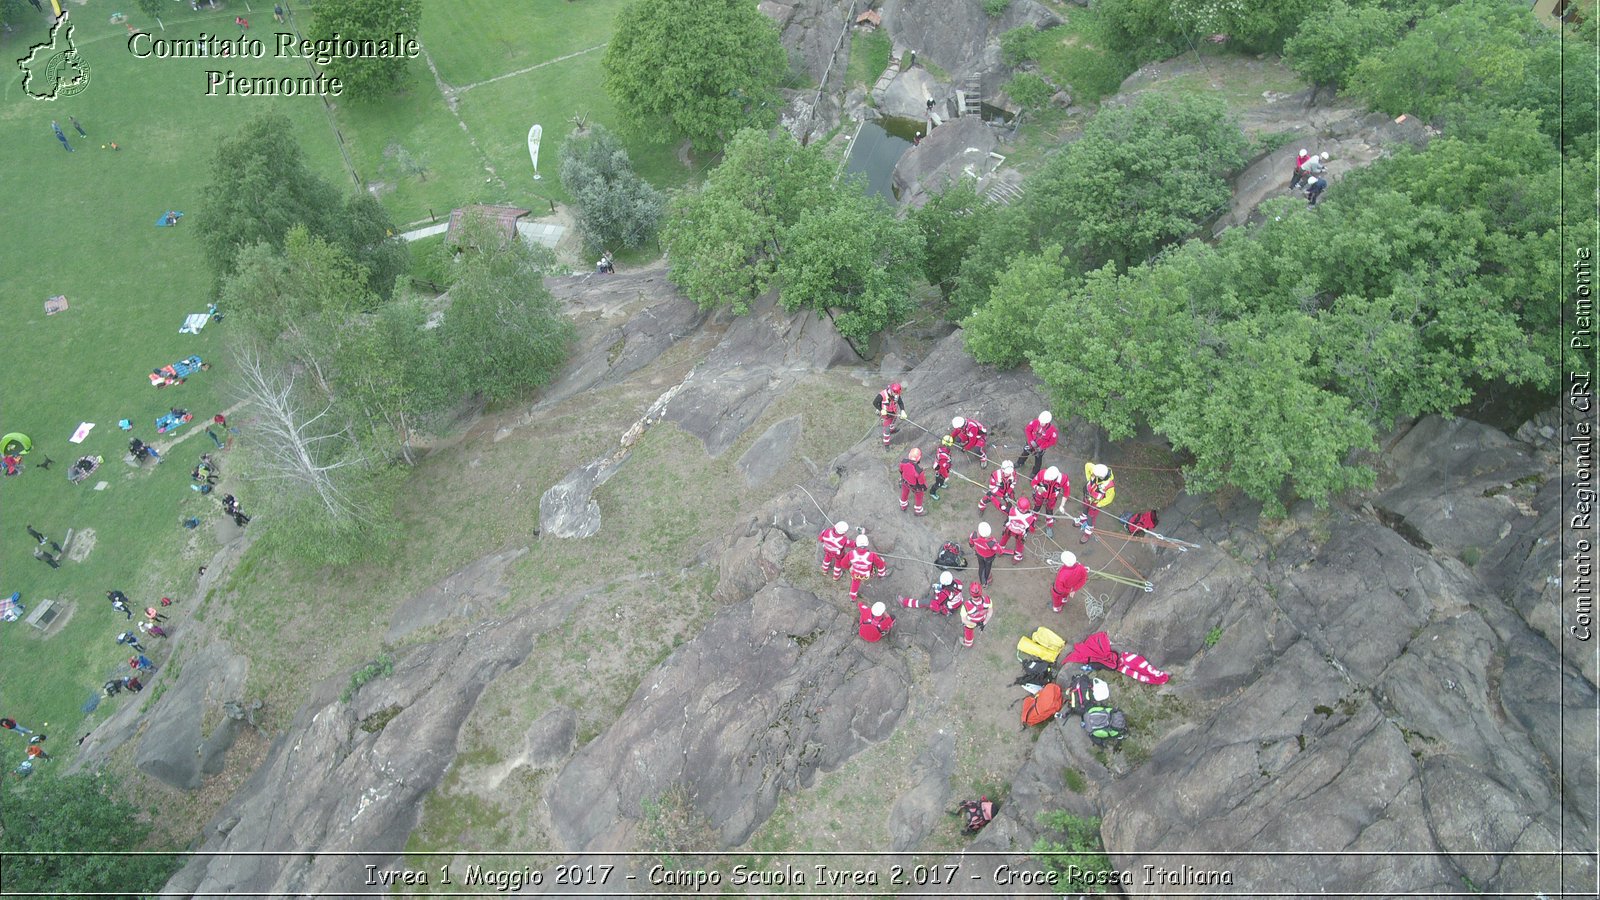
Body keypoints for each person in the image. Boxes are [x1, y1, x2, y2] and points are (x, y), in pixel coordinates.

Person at [843, 534, 887, 602]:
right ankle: (879, 575)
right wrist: (881, 573)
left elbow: (843, 563)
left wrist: (849, 567)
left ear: (857, 544)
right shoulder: (872, 555)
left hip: (855, 574)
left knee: (854, 584)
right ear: (867, 544)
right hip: (866, 575)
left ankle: (852, 597)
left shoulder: (851, 554)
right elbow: (880, 565)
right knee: (879, 563)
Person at [1079, 462, 1116, 543]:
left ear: (1101, 477)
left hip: (1096, 502)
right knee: (1084, 510)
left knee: (1090, 517)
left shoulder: (1109, 485)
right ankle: (1081, 521)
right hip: (1088, 496)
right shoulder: (1097, 470)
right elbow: (1087, 465)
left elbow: (1109, 499)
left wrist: (1098, 505)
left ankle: (1087, 534)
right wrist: (1089, 479)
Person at [1015, 411, 1058, 477]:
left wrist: (1042, 447)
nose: (1041, 423)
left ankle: (1035, 472)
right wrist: (1030, 441)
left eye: (1043, 422)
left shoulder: (1052, 431)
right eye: (1040, 421)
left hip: (1040, 448)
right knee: (1025, 453)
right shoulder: (1035, 422)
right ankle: (1020, 463)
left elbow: (1052, 442)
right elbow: (1028, 429)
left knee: (1038, 459)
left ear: (1047, 422)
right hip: (1031, 443)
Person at [999, 496, 1037, 563]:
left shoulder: (1012, 510)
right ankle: (1017, 557)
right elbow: (1032, 530)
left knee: (1004, 539)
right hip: (1020, 535)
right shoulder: (1031, 518)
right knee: (1019, 545)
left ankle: (1000, 550)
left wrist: (993, 497)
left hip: (1009, 530)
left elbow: (1001, 507)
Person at [1031, 466, 1068, 534]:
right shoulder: (1042, 473)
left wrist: (1062, 505)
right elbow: (1033, 482)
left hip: (1052, 498)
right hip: (1040, 495)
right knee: (1036, 507)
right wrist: (1038, 488)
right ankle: (1032, 520)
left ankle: (1049, 525)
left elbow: (1066, 492)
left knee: (1049, 512)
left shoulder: (1063, 479)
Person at [958, 580, 992, 649]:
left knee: (969, 634)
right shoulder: (987, 600)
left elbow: (964, 620)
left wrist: (975, 624)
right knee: (980, 627)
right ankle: (980, 630)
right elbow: (990, 612)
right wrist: (984, 622)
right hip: (982, 619)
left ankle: (968, 644)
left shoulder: (966, 606)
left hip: (970, 623)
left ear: (970, 593)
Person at [968, 521, 1002, 586]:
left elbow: (971, 544)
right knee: (987, 567)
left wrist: (974, 549)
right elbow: (1000, 551)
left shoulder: (973, 536)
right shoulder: (991, 543)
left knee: (981, 566)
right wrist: (1013, 552)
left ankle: (982, 581)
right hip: (989, 557)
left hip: (979, 554)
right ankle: (986, 580)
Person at [874, 382, 906, 449]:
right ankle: (886, 444)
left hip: (893, 412)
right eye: (895, 394)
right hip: (886, 415)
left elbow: (900, 402)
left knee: (893, 422)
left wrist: (902, 410)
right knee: (886, 430)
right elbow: (874, 403)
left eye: (897, 394)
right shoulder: (882, 395)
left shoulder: (896, 394)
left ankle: (892, 430)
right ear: (891, 391)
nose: (896, 395)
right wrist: (880, 410)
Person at [899, 447, 928, 516]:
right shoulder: (919, 471)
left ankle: (903, 505)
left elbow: (901, 470)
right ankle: (918, 511)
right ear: (919, 458)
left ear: (909, 455)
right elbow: (921, 483)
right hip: (915, 486)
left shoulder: (903, 462)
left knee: (904, 493)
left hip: (905, 481)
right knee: (919, 497)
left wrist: (902, 477)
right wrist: (925, 488)